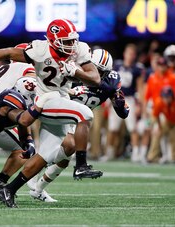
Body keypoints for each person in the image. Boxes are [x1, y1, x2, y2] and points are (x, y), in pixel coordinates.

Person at [0, 19, 104, 207]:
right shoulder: (39, 50)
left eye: (72, 41)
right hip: (46, 100)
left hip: (61, 99)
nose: (71, 45)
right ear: (53, 40)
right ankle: (81, 165)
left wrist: (77, 72)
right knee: (85, 114)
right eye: (66, 41)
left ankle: (9, 189)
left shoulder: (80, 50)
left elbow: (95, 80)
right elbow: (8, 52)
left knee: (46, 154)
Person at [29, 49, 130, 202]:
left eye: (102, 72)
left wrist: (120, 104)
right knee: (69, 145)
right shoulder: (72, 70)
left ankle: (38, 189)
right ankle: (36, 166)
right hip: (61, 112)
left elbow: (123, 112)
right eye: (96, 70)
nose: (98, 74)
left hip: (78, 118)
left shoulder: (110, 81)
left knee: (65, 158)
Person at [104, 44, 144, 162]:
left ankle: (136, 153)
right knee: (112, 128)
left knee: (132, 128)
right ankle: (109, 153)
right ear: (125, 53)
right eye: (129, 53)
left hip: (129, 99)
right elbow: (110, 83)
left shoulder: (137, 69)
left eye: (132, 54)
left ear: (135, 56)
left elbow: (140, 87)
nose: (130, 56)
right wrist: (107, 99)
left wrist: (139, 104)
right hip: (116, 98)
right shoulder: (117, 66)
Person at [147, 86, 175, 164]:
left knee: (173, 138)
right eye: (164, 97)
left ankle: (173, 157)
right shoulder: (159, 102)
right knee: (156, 133)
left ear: (171, 96)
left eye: (168, 97)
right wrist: (158, 127)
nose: (166, 99)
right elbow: (156, 116)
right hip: (167, 121)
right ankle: (152, 156)